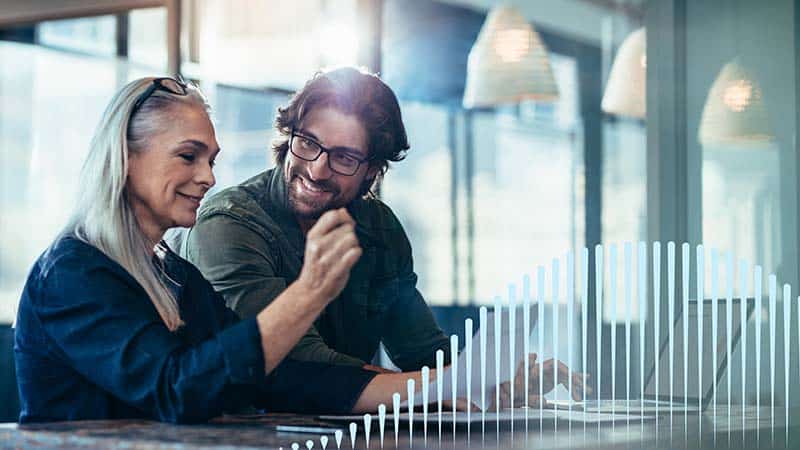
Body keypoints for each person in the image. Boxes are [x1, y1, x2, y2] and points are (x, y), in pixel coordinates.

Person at [12, 77, 415, 423]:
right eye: (188, 156)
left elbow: (272, 377)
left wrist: (429, 389)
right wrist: (310, 292)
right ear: (126, 157)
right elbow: (176, 390)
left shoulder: (174, 274)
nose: (207, 177)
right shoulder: (71, 274)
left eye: (211, 161)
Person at [182, 67, 450, 371]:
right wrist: (435, 385)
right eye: (308, 143)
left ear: (372, 169)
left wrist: (477, 380)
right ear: (289, 136)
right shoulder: (229, 225)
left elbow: (425, 351)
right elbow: (298, 365)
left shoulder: (380, 227)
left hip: (346, 403)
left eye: (344, 158)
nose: (317, 170)